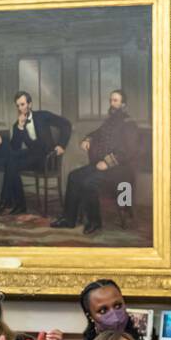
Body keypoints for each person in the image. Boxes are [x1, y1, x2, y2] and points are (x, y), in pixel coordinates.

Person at [52, 89, 140, 234]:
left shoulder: (129, 124)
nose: (112, 103)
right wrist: (87, 139)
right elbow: (97, 133)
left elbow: (129, 151)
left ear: (123, 104)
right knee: (73, 176)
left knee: (88, 182)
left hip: (120, 171)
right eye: (111, 100)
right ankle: (68, 219)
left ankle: (95, 222)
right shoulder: (110, 121)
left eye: (116, 101)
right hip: (101, 166)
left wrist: (107, 163)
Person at [0, 91, 71, 216]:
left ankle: (12, 202)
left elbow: (66, 124)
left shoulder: (43, 116)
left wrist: (62, 145)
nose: (20, 108)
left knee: (11, 164)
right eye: (18, 106)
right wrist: (20, 126)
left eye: (22, 104)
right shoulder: (17, 124)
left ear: (30, 104)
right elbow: (15, 148)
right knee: (11, 161)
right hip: (32, 156)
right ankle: (15, 203)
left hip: (47, 158)